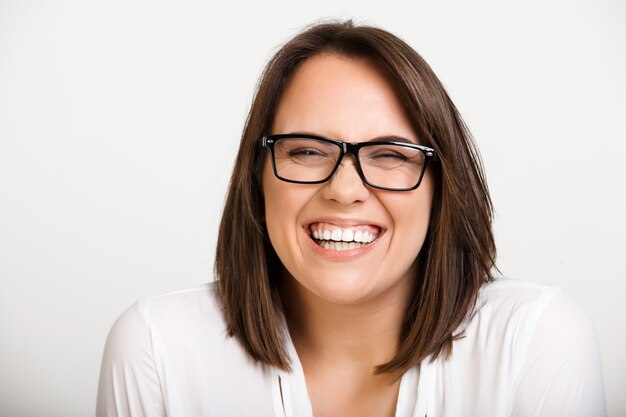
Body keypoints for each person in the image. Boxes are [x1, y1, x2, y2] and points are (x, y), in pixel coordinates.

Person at [96, 20, 607, 417]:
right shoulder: (157, 347)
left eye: (390, 154)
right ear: (258, 178)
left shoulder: (535, 341)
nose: (344, 190)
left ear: (442, 186)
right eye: (306, 151)